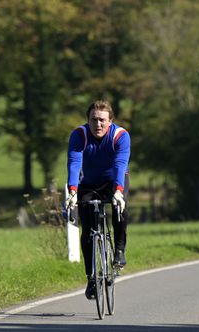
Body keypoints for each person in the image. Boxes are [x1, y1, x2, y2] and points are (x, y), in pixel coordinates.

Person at [66, 100, 131, 300]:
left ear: (110, 121)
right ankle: (91, 278)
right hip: (88, 184)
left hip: (114, 182)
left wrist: (119, 192)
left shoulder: (121, 136)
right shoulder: (79, 135)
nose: (98, 124)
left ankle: (119, 250)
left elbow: (120, 164)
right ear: (88, 120)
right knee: (88, 231)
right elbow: (74, 163)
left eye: (102, 120)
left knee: (120, 208)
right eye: (93, 120)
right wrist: (72, 192)